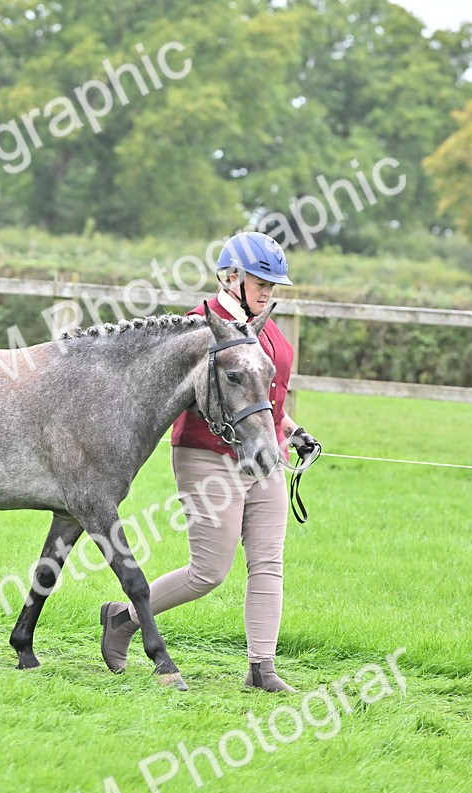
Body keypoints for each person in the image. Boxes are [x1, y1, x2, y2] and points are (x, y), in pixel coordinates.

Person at [99, 231, 318, 692]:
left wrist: (292, 431)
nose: (268, 292)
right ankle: (123, 617)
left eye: (273, 285)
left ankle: (263, 668)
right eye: (262, 282)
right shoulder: (195, 327)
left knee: (268, 563)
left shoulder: (267, 328)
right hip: (208, 455)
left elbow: (257, 400)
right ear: (232, 276)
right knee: (209, 572)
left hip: (266, 458)